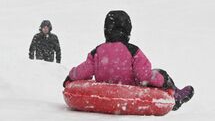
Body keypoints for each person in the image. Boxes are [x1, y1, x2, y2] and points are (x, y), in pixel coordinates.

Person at [63, 10, 194, 111]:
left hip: (105, 88)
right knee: (160, 73)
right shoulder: (133, 51)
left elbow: (83, 70)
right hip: (130, 90)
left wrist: (70, 77)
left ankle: (174, 93)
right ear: (128, 31)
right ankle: (176, 95)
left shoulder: (97, 51)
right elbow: (144, 76)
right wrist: (163, 80)